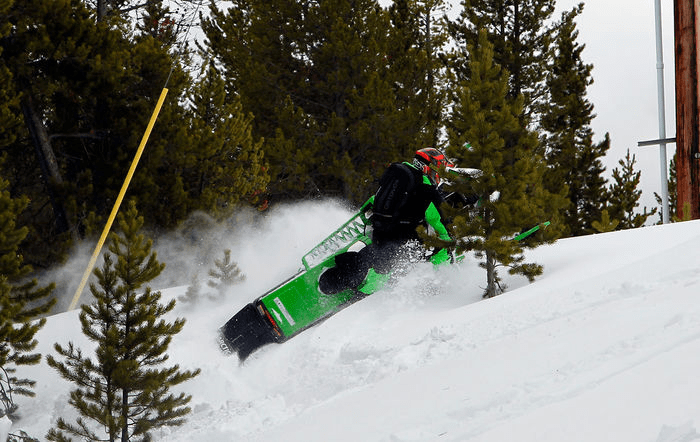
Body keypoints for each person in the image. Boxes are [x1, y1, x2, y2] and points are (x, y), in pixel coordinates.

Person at [319, 148, 454, 295]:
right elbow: (439, 220)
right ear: (428, 167)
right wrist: (449, 240)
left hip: (381, 231)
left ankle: (343, 275)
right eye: (438, 167)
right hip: (404, 241)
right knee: (434, 250)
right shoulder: (426, 189)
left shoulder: (399, 174)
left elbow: (374, 199)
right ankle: (436, 283)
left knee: (376, 257)